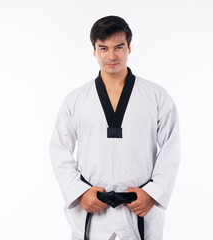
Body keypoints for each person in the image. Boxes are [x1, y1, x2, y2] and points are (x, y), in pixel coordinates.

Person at [49, 15, 180, 240]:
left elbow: (171, 147)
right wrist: (79, 193)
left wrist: (152, 193)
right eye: (103, 48)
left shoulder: (156, 96)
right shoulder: (76, 99)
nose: (111, 56)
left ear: (129, 47)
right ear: (94, 51)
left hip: (139, 209)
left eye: (119, 47)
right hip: (93, 209)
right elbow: (59, 149)